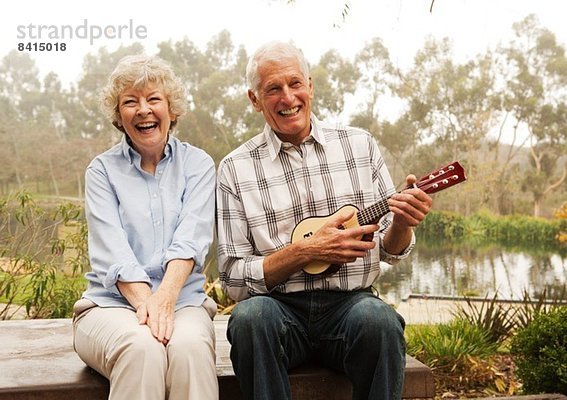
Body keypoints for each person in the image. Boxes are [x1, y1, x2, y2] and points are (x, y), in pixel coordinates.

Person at [216, 41, 433, 400]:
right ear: (254, 99)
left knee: (380, 323)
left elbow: (391, 252)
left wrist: (403, 222)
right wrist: (303, 252)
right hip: (279, 310)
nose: (288, 98)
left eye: (295, 83)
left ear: (311, 85)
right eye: (273, 89)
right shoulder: (235, 169)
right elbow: (233, 280)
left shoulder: (359, 146)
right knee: (250, 320)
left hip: (351, 306)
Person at [72, 54, 218, 400]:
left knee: (190, 350)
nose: (143, 110)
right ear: (119, 117)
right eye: (130, 102)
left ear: (171, 109)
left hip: (183, 302)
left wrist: (165, 300)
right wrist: (149, 308)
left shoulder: (198, 165)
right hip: (108, 307)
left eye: (153, 99)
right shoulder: (101, 172)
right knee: (143, 348)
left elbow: (190, 242)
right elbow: (114, 254)